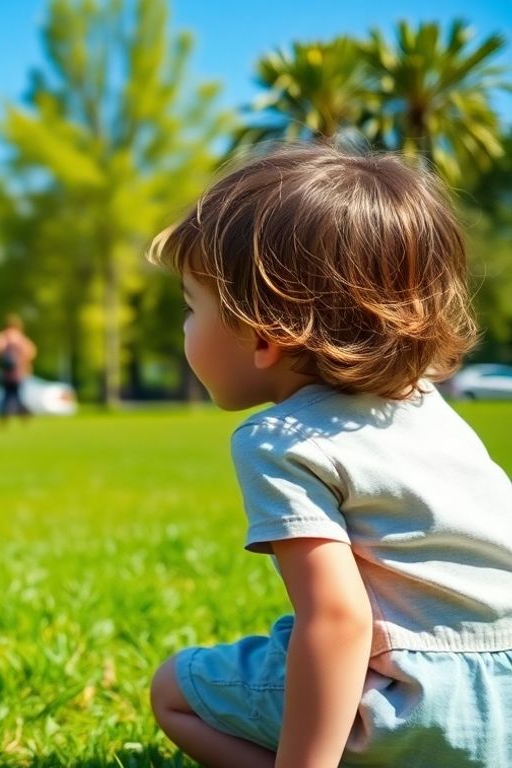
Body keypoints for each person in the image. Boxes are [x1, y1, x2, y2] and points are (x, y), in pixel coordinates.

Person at [145, 145, 512, 767]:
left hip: (413, 705)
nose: (183, 328)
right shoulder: (429, 407)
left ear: (263, 337)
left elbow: (339, 621)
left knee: (173, 691)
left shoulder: (281, 439)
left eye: (190, 307)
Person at [0, 313, 36, 425]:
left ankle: (5, 416)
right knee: (18, 395)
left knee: (7, 396)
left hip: (6, 373)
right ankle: (23, 415)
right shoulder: (20, 337)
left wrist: (3, 356)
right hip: (19, 373)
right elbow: (32, 351)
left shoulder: (3, 337)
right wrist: (23, 361)